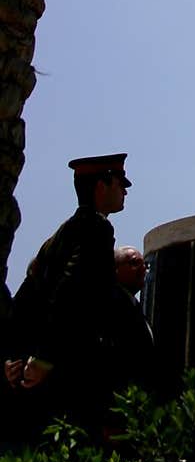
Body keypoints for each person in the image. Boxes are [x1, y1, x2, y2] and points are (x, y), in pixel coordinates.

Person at [3, 153, 132, 441]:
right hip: (68, 373)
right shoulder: (97, 229)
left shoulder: (58, 236)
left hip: (33, 372)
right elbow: (72, 293)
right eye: (119, 183)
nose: (124, 191)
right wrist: (45, 359)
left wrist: (13, 357)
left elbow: (25, 298)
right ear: (102, 186)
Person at [108, 247, 157, 395]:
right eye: (135, 263)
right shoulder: (110, 305)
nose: (142, 269)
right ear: (114, 269)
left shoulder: (134, 307)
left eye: (145, 265)